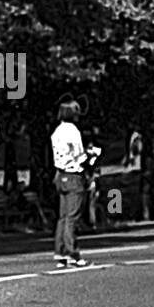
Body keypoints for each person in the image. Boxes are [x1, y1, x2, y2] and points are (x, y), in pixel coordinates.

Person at [50, 96, 89, 268]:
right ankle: (73, 253)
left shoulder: (57, 131)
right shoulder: (73, 131)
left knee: (63, 216)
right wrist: (91, 156)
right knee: (73, 217)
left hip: (60, 174)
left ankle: (60, 252)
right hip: (73, 175)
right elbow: (79, 155)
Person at [83, 130, 103, 229]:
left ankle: (92, 222)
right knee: (90, 203)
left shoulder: (91, 157)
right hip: (89, 180)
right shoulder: (89, 156)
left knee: (91, 203)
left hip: (91, 181)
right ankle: (91, 222)